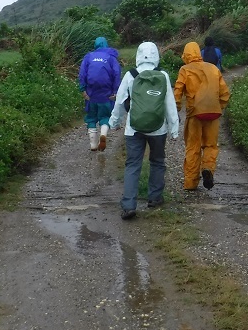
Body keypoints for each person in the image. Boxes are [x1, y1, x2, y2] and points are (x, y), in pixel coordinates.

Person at [109, 42, 179, 219]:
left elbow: (119, 102)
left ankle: (129, 205)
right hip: (158, 129)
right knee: (157, 162)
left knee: (133, 165)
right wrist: (174, 129)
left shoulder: (131, 75)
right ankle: (154, 198)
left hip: (134, 129)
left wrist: (114, 122)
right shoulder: (162, 75)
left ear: (138, 55)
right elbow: (169, 104)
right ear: (156, 55)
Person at [173, 41, 230, 191]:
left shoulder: (185, 69)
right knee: (211, 146)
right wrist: (219, 107)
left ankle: (191, 183)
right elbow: (225, 94)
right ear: (199, 53)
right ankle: (208, 169)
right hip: (213, 113)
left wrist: (176, 110)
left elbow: (177, 92)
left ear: (186, 55)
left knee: (193, 147)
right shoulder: (213, 68)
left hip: (194, 115)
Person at [78, 36, 121, 151]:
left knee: (91, 117)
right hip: (106, 94)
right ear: (106, 45)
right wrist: (115, 91)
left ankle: (93, 144)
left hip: (91, 94)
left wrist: (83, 89)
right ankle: (103, 134)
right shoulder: (111, 58)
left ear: (95, 45)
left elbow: (82, 74)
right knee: (105, 116)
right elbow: (116, 74)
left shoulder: (88, 57)